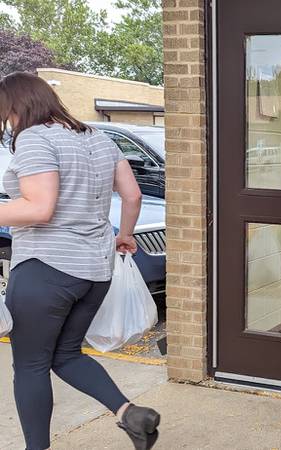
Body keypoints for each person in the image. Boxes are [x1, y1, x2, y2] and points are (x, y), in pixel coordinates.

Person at [0, 72, 161, 450]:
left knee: (30, 365)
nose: (6, 121)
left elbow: (40, 208)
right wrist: (125, 235)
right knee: (65, 355)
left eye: (5, 111)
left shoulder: (35, 138)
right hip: (94, 271)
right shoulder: (98, 137)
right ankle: (131, 416)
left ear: (17, 105)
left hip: (46, 269)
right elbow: (133, 195)